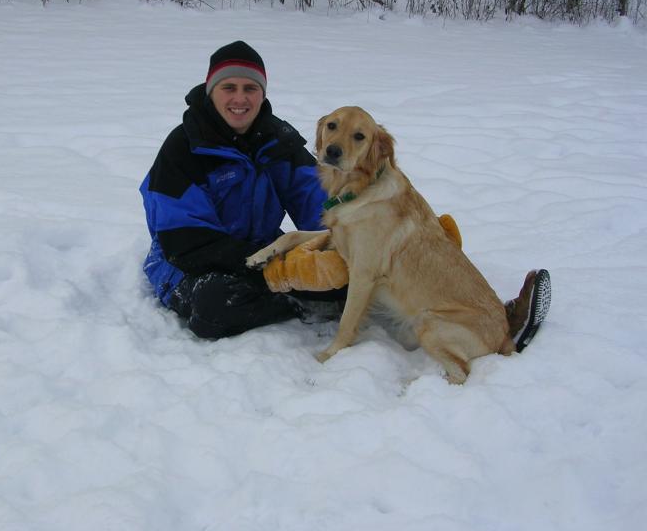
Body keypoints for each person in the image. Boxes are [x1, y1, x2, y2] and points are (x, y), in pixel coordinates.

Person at [139, 40, 550, 352]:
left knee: (357, 265)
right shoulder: (183, 149)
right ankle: (297, 300)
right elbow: (182, 239)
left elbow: (321, 204)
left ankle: (484, 315)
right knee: (216, 306)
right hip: (186, 264)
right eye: (229, 87)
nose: (240, 98)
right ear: (211, 91)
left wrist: (388, 237)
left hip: (264, 251)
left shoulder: (274, 139)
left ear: (263, 93)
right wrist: (277, 266)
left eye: (251, 87)